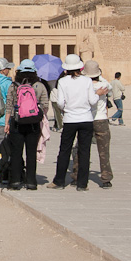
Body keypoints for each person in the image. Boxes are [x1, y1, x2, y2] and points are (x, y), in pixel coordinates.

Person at [47, 54, 106, 191]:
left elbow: (60, 103)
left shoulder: (63, 82)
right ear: (80, 67)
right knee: (85, 152)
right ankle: (82, 184)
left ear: (66, 69)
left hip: (70, 120)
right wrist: (97, 94)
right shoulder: (86, 81)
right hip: (86, 119)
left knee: (64, 150)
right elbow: (92, 101)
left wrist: (67, 108)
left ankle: (59, 181)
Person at [4, 60, 49, 190]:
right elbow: (45, 105)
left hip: (17, 123)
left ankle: (15, 181)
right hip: (33, 124)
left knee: (16, 152)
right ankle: (31, 182)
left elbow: (9, 106)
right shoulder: (39, 86)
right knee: (31, 153)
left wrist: (7, 123)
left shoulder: (14, 86)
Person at [71, 60, 114, 189]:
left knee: (80, 149)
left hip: (87, 119)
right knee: (104, 151)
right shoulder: (104, 84)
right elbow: (108, 86)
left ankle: (76, 175)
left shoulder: (84, 85)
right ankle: (106, 178)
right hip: (101, 120)